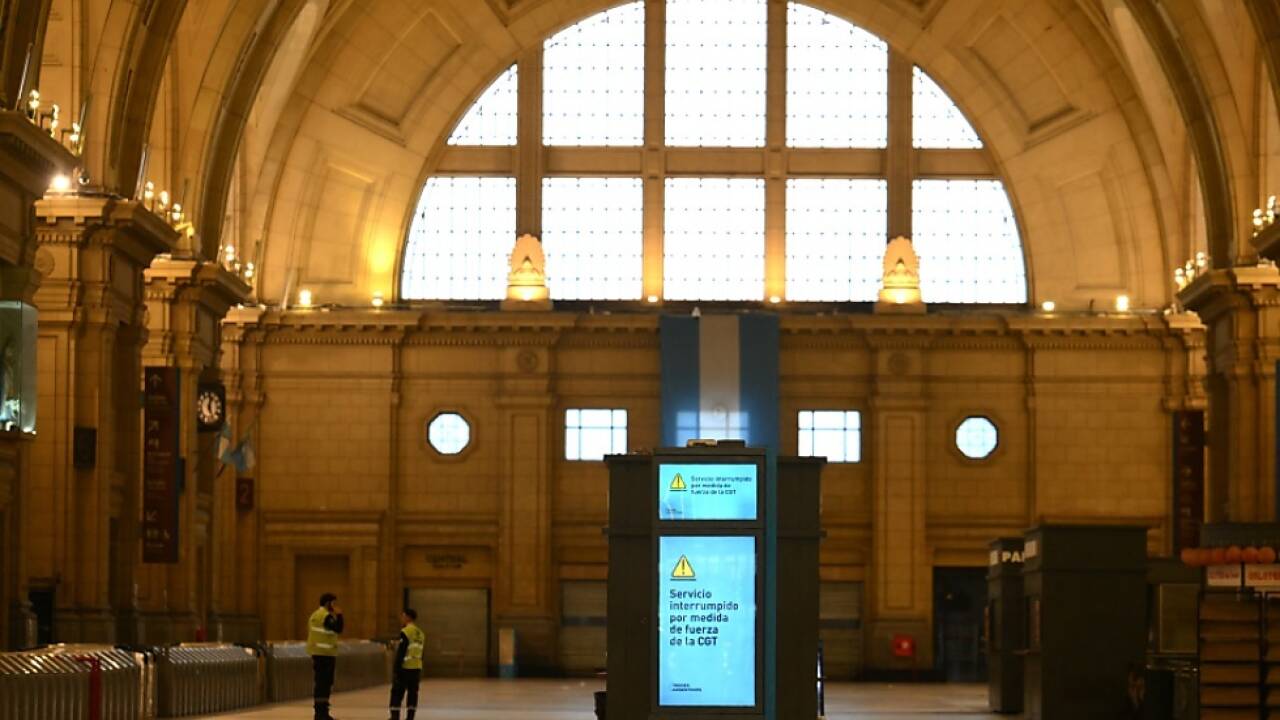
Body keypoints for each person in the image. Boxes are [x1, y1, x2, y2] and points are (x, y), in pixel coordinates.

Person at [306, 592, 344, 720]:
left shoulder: (315, 615)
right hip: (325, 655)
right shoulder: (325, 616)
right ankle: (321, 713)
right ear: (328, 603)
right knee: (324, 684)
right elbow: (338, 628)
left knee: (320, 684)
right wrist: (339, 614)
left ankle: (320, 711)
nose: (335, 606)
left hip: (318, 654)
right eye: (334, 603)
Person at [389, 608, 425, 720]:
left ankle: (395, 717)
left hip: (405, 668)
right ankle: (410, 717)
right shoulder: (421, 633)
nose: (402, 618)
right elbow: (421, 652)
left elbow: (402, 651)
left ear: (408, 617)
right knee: (413, 694)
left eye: (403, 616)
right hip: (416, 667)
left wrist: (396, 668)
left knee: (397, 693)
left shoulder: (406, 632)